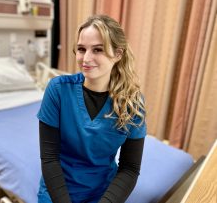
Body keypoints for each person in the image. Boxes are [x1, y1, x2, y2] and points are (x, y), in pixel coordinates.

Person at [37, 15, 147, 203]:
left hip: (103, 192)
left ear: (118, 54)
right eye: (81, 49)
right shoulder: (58, 90)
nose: (86, 58)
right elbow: (49, 159)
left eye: (98, 50)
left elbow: (129, 168)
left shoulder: (132, 104)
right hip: (58, 190)